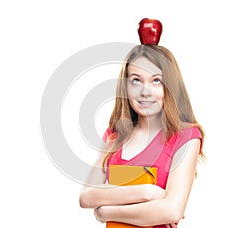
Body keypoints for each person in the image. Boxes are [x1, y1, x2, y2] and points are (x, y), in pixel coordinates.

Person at [79, 30, 205, 228]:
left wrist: (106, 210)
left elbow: (171, 210)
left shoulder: (186, 137)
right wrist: (148, 192)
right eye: (136, 80)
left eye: (156, 81)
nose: (145, 92)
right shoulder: (115, 135)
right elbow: (86, 197)